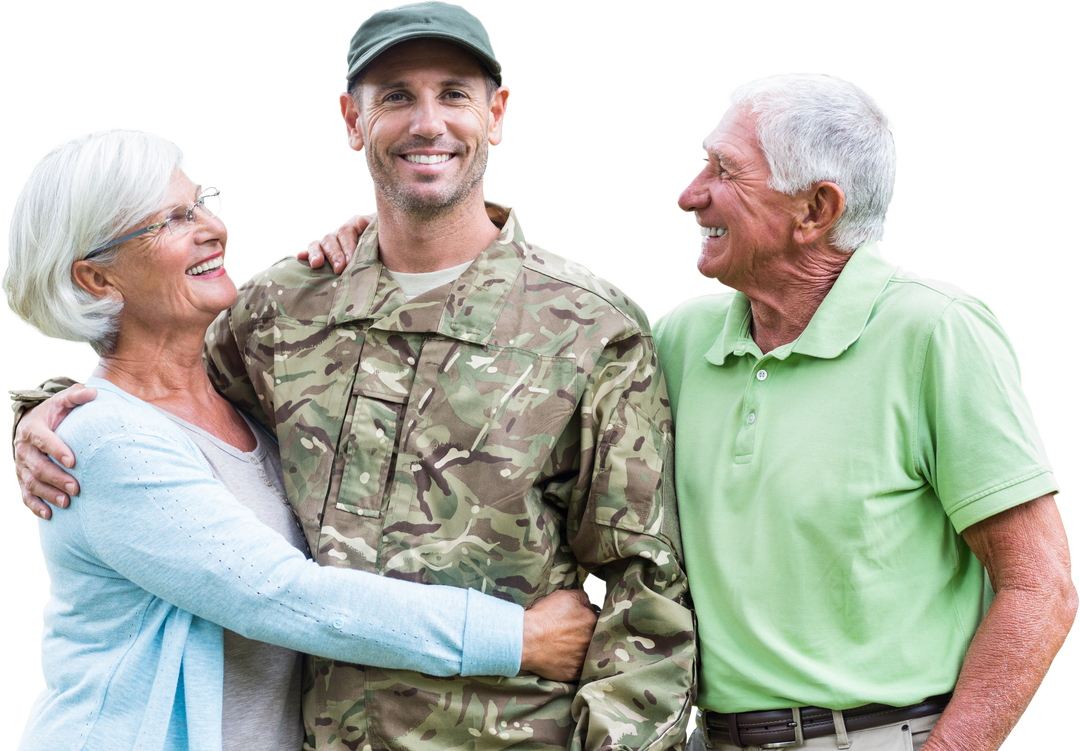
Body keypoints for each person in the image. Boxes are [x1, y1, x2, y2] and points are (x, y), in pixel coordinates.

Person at [9, 3, 696, 751]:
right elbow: (145, 400)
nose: (427, 122)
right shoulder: (280, 310)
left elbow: (646, 591)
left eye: (454, 93)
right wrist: (46, 415)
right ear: (350, 119)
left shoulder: (590, 325)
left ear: (497, 114)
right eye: (395, 95)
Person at [652, 69, 1075, 750]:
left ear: (816, 210)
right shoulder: (678, 338)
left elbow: (1041, 588)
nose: (689, 195)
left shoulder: (936, 331)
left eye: (723, 171)